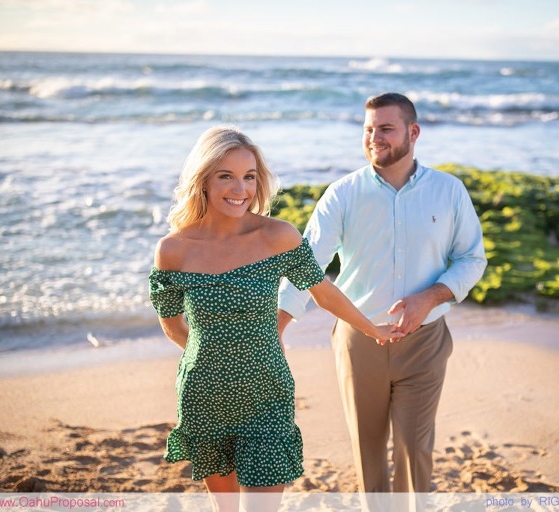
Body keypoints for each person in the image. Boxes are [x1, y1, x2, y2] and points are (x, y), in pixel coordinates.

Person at [148, 126, 403, 512]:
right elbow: (172, 326)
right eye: (226, 176)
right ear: (203, 180)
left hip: (266, 393)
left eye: (249, 177)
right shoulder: (173, 250)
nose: (241, 189)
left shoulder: (278, 236)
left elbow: (323, 291)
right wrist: (224, 355)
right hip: (205, 395)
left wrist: (373, 329)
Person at [278, 93, 487, 494]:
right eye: (368, 130)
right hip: (359, 340)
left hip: (424, 342)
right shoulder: (342, 194)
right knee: (368, 449)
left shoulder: (449, 191)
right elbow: (306, 265)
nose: (375, 138)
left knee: (415, 449)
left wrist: (428, 298)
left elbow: (471, 259)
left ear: (414, 132)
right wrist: (278, 327)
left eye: (386, 129)